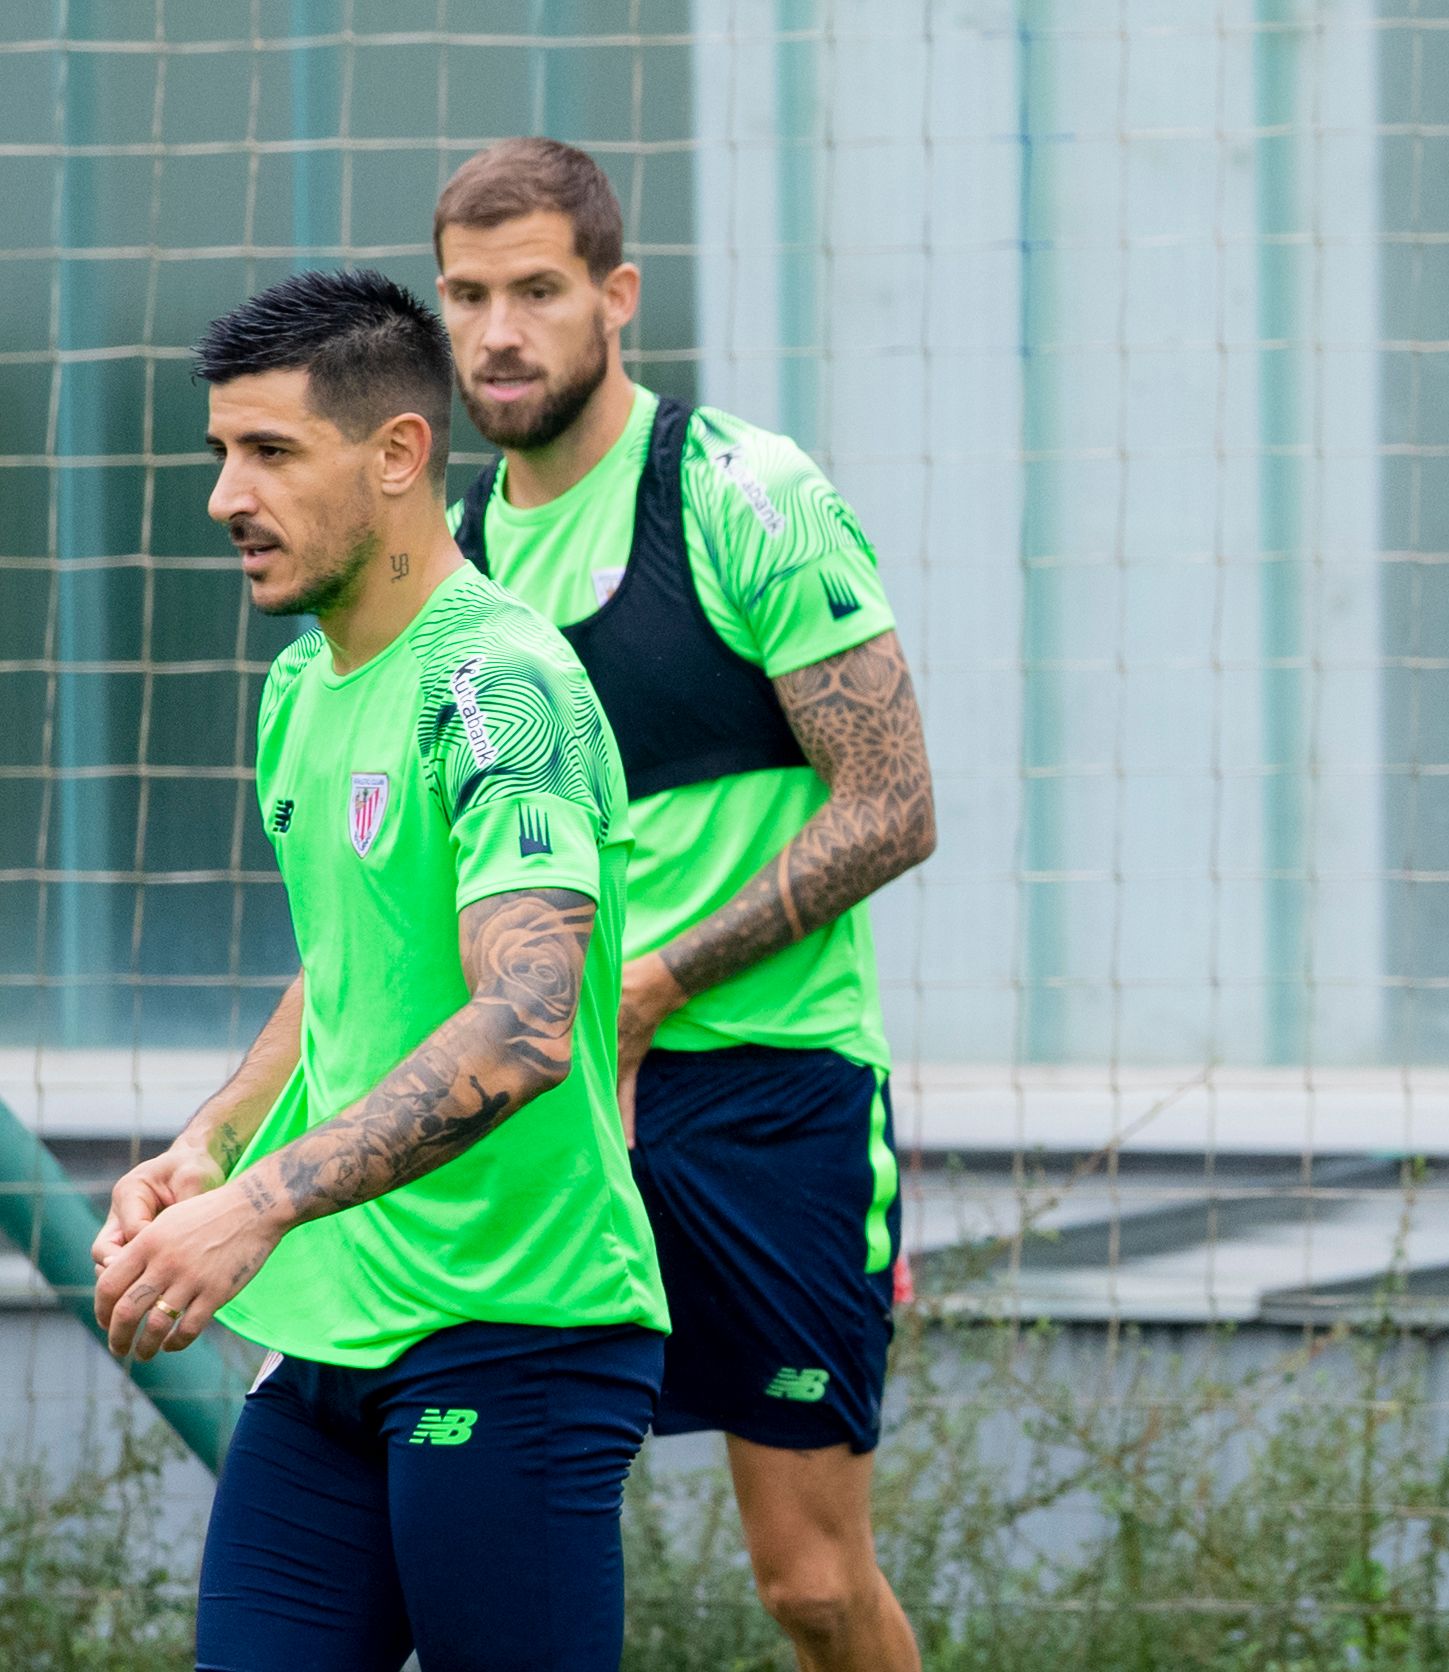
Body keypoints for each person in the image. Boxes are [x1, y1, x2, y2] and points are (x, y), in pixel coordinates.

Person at [92, 269, 671, 1671]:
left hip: (515, 1330)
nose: (226, 495)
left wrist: (261, 1207)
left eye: (271, 453)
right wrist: (213, 1146)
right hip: (332, 1338)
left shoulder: (501, 684)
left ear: (400, 454)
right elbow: (349, 965)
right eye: (221, 453)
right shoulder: (301, 685)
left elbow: (526, 1022)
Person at [429, 137, 936, 1671]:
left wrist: (650, 983)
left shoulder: (742, 496)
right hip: (541, 1110)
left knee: (811, 1586)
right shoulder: (452, 572)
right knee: (473, 1535)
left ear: (616, 297)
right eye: (467, 295)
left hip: (766, 1097)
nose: (499, 331)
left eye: (537, 290)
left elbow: (896, 807)